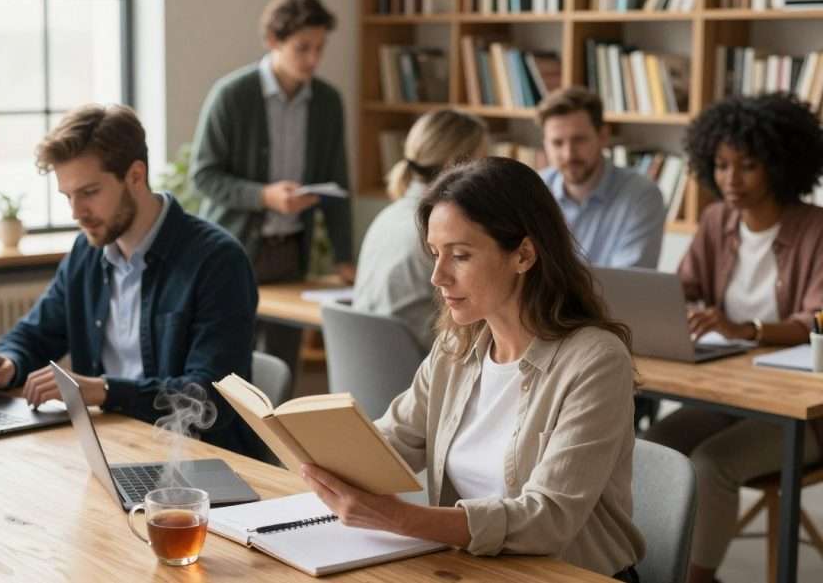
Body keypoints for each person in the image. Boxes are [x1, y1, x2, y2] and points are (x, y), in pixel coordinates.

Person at [301, 158, 645, 581]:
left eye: (460, 256)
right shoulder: (457, 346)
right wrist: (314, 445)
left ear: (523, 254)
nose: (438, 277)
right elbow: (394, 439)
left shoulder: (595, 361)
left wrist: (402, 518)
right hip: (477, 569)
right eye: (434, 254)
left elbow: (546, 519)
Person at [0, 104, 263, 459]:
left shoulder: (217, 260)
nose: (76, 213)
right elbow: (36, 332)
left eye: (89, 193)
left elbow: (207, 397)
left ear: (136, 176)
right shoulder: (87, 252)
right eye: (68, 196)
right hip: (110, 449)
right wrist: (7, 360)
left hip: (202, 466)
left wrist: (104, 391)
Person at [643, 93, 823, 583]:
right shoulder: (716, 220)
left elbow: (818, 318)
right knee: (654, 447)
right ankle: (660, 567)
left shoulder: (815, 229)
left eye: (747, 166)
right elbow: (685, 288)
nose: (731, 180)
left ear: (781, 163)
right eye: (721, 166)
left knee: (710, 463)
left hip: (800, 410)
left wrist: (746, 330)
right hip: (729, 392)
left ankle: (697, 579)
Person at [189, 0, 354, 383]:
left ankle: (266, 446)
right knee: (228, 368)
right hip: (233, 252)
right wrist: (265, 196)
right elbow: (204, 175)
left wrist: (344, 257)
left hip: (290, 254)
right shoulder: (231, 95)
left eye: (319, 48)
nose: (313, 59)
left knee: (281, 367)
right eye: (303, 48)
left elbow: (338, 184)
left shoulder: (328, 102)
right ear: (272, 41)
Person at [353, 109, 487, 351]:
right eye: (484, 161)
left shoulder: (386, 216)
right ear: (457, 165)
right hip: (421, 368)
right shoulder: (444, 230)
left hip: (375, 366)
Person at [538, 87, 666, 269]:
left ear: (603, 136)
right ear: (545, 144)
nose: (568, 154)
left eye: (579, 140)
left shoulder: (642, 196)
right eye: (557, 143)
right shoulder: (532, 191)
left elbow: (629, 284)